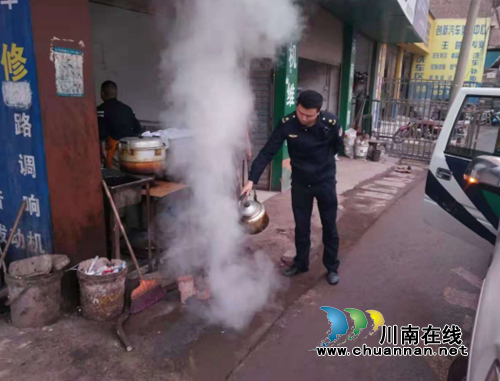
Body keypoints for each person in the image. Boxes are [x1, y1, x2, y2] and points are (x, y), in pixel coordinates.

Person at [241, 90, 343, 285]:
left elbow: (338, 147)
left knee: (329, 225)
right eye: (300, 112)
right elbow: (267, 152)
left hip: (325, 182)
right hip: (301, 183)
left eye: (308, 115)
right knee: (301, 226)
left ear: (318, 112)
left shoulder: (330, 123)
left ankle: (332, 267)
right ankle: (301, 263)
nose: (302, 118)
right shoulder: (288, 123)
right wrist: (251, 180)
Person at [97, 81, 142, 168]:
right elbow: (137, 128)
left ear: (102, 93)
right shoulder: (128, 109)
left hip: (114, 154)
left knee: (114, 177)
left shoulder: (101, 110)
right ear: (116, 93)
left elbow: (99, 133)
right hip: (131, 153)